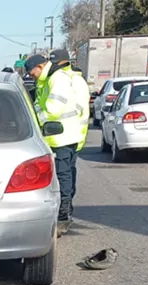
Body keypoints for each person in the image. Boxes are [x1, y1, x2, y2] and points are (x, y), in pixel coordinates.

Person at [24, 49, 90, 236]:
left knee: (63, 178)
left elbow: (53, 110)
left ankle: (63, 216)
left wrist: (34, 121)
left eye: (32, 73)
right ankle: (62, 214)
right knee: (61, 178)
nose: (32, 76)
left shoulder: (57, 79)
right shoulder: (48, 80)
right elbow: (40, 104)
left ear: (40, 66)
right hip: (56, 138)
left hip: (62, 138)